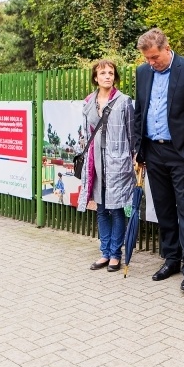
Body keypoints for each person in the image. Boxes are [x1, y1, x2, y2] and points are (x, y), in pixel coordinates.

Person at [133, 28, 184, 294]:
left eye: (155, 57)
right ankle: (171, 259)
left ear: (167, 49)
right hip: (152, 151)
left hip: (181, 152)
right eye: (147, 58)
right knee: (164, 209)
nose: (151, 63)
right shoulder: (143, 72)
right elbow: (140, 111)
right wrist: (138, 148)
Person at [77, 59, 136, 273]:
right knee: (101, 208)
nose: (107, 76)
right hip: (95, 161)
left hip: (117, 162)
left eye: (111, 73)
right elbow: (85, 133)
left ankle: (115, 254)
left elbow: (132, 133)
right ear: (96, 77)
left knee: (116, 208)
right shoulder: (88, 102)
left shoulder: (124, 101)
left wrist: (133, 157)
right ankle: (104, 252)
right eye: (103, 73)